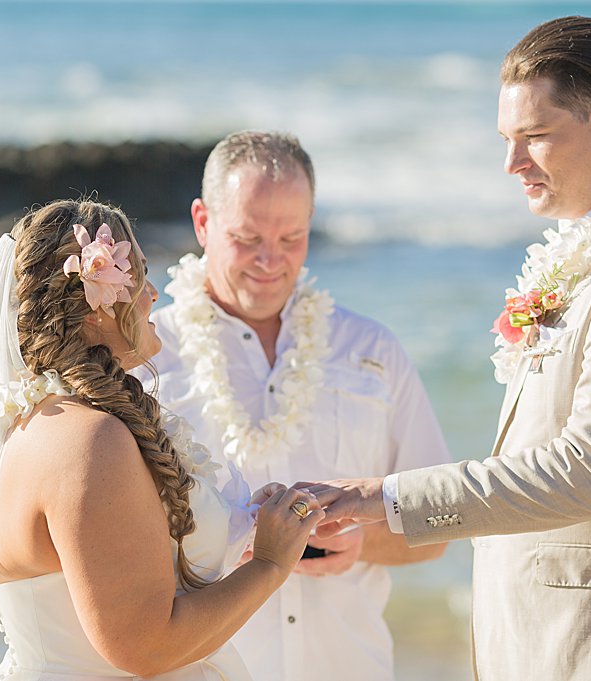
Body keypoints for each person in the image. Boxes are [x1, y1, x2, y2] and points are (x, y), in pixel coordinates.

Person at [297, 16, 591, 680]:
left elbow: (590, 469)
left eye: (535, 138)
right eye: (508, 139)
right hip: (566, 632)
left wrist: (386, 497)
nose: (511, 164)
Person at [0, 199, 324, 681]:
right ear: (95, 309)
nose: (153, 293)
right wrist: (270, 566)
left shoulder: (46, 421)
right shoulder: (87, 439)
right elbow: (144, 648)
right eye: (140, 276)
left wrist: (245, 524)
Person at [134, 131, 450, 681]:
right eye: (248, 236)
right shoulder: (146, 359)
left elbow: (438, 524)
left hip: (351, 665)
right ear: (203, 222)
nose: (269, 260)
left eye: (292, 237)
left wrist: (364, 542)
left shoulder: (372, 349)